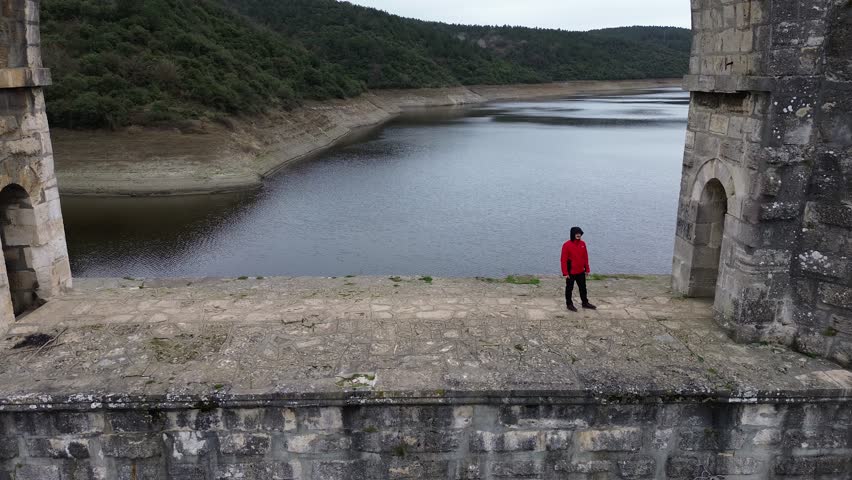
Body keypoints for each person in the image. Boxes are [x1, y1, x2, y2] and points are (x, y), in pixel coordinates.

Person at [560, 226, 596, 312]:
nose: (578, 235)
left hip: (580, 271)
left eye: (580, 233)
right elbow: (563, 260)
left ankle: (585, 303)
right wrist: (565, 273)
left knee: (583, 288)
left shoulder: (583, 244)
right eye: (577, 233)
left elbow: (585, 257)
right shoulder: (566, 245)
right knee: (569, 289)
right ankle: (569, 304)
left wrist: (587, 269)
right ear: (572, 234)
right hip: (571, 272)